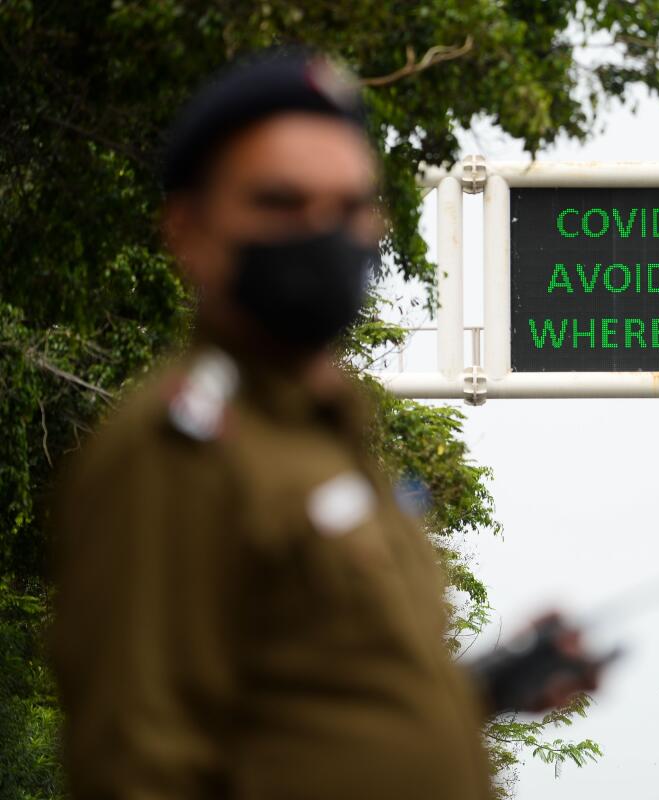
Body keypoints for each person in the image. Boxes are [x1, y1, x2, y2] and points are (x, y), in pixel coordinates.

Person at [51, 49, 602, 800]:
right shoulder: (177, 449)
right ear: (189, 229)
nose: (323, 233)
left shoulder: (323, 440)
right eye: (281, 204)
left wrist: (486, 689)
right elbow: (141, 762)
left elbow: (314, 714)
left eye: (349, 208)